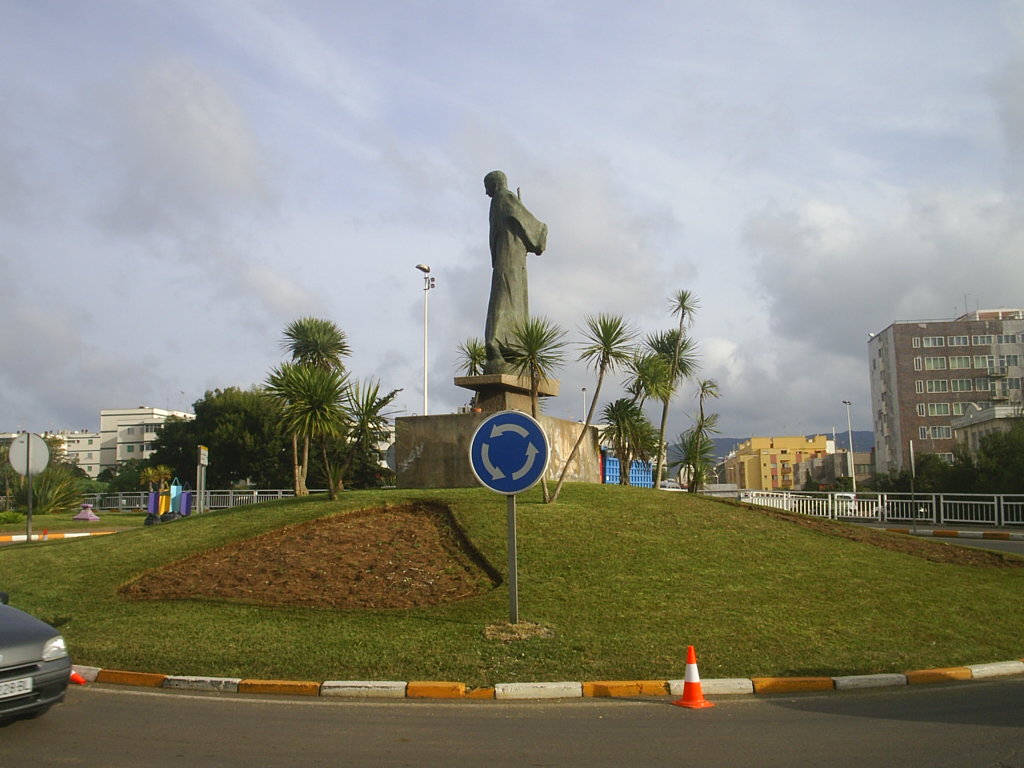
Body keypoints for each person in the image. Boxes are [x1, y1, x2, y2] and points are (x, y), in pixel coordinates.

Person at [482, 170, 548, 375]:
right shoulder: (505, 197)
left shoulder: (501, 198)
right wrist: (541, 232)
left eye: (487, 187)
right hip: (511, 257)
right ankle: (496, 342)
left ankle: (510, 346)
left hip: (510, 256)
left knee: (509, 298)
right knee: (507, 297)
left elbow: (518, 219)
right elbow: (527, 221)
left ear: (494, 184)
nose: (486, 193)